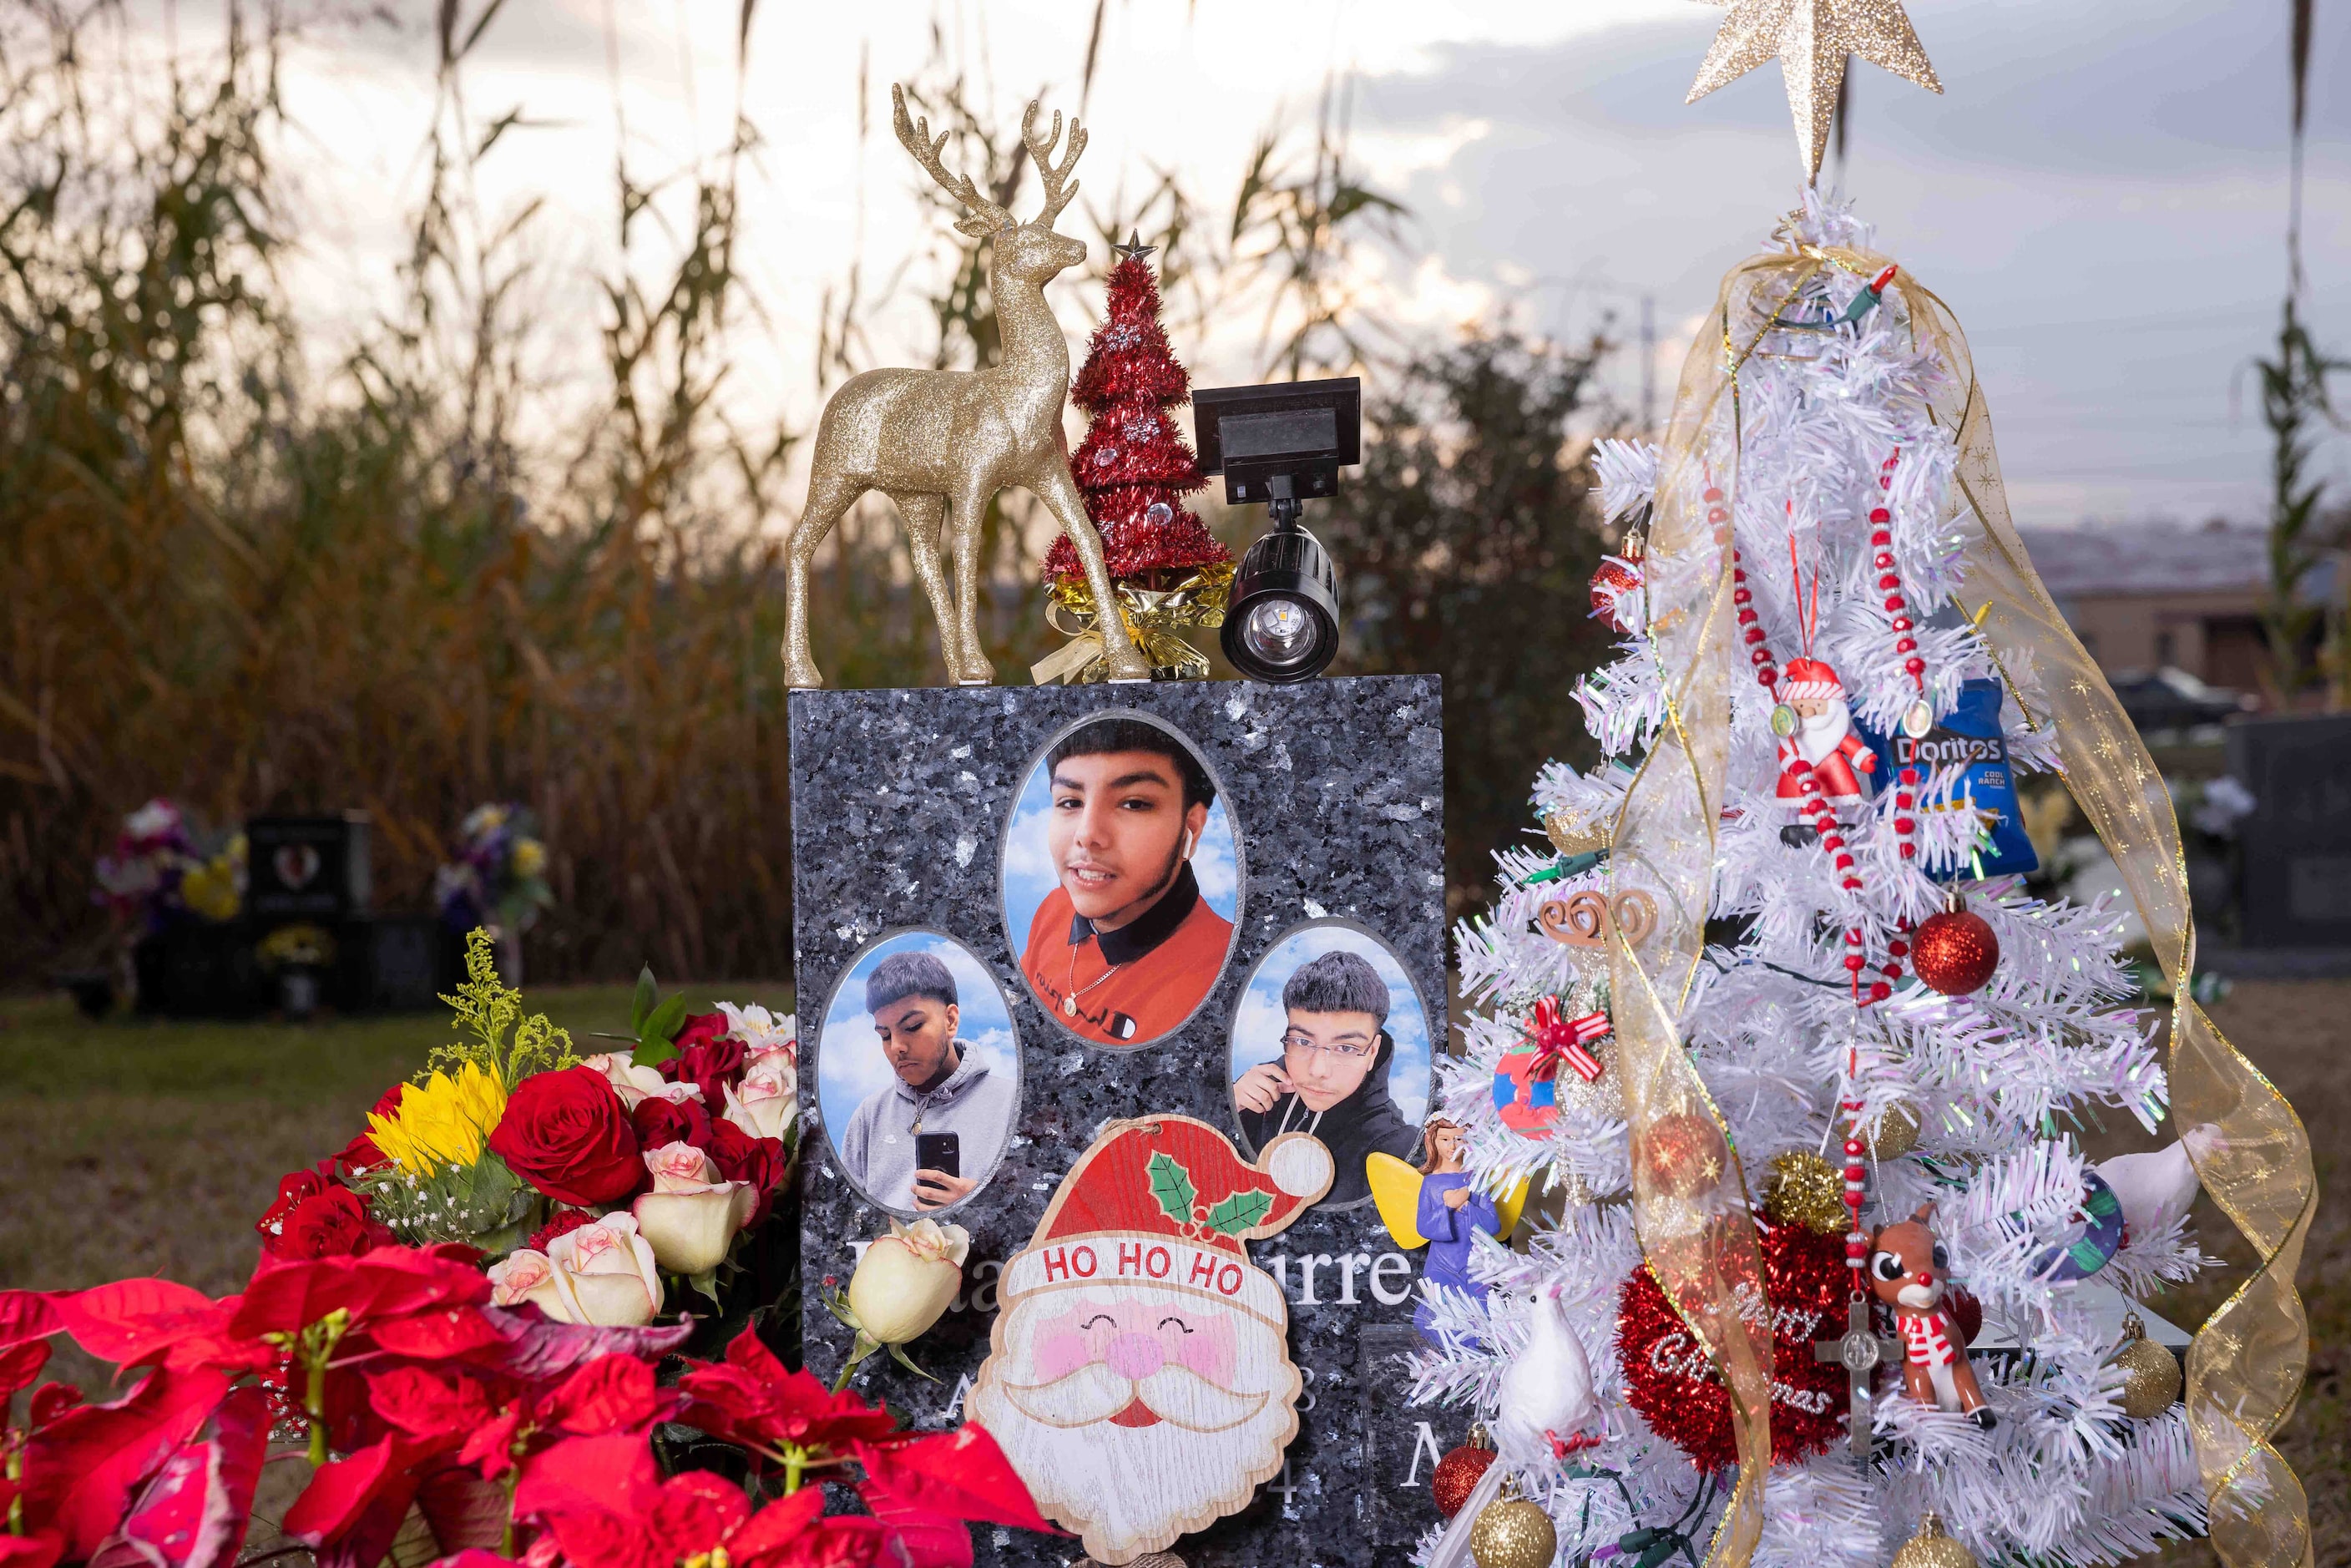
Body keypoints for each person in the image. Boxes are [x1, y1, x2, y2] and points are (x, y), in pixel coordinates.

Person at [1019, 718, 1235, 1044]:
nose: (1087, 835)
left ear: (1192, 827)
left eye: (1133, 804)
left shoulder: (1219, 976)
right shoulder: (1054, 908)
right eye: (1071, 802)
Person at [1231, 948, 1418, 1206]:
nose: (1318, 1070)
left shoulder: (1399, 1147)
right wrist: (1227, 1109)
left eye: (1346, 1048)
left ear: (1372, 1052)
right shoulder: (1251, 1095)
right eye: (1302, 1041)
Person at [836, 950, 1017, 1212]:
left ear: (950, 1020)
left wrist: (979, 1207)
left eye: (912, 1026)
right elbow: (845, 1216)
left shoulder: (1010, 1104)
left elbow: (1034, 1216)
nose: (897, 1046)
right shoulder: (869, 1115)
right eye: (885, 1035)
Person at [1411, 1116, 1499, 1345]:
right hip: (1442, 1264)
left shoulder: (1477, 1179)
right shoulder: (1430, 1183)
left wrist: (1467, 1206)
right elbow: (1423, 1226)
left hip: (1475, 1264)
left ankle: (1475, 1357)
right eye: (1445, 1139)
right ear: (1433, 1141)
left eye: (1459, 1138)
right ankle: (1452, 1356)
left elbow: (1493, 1225)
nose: (1452, 1145)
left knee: (1482, 1314)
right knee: (1439, 1313)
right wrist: (1447, 1207)